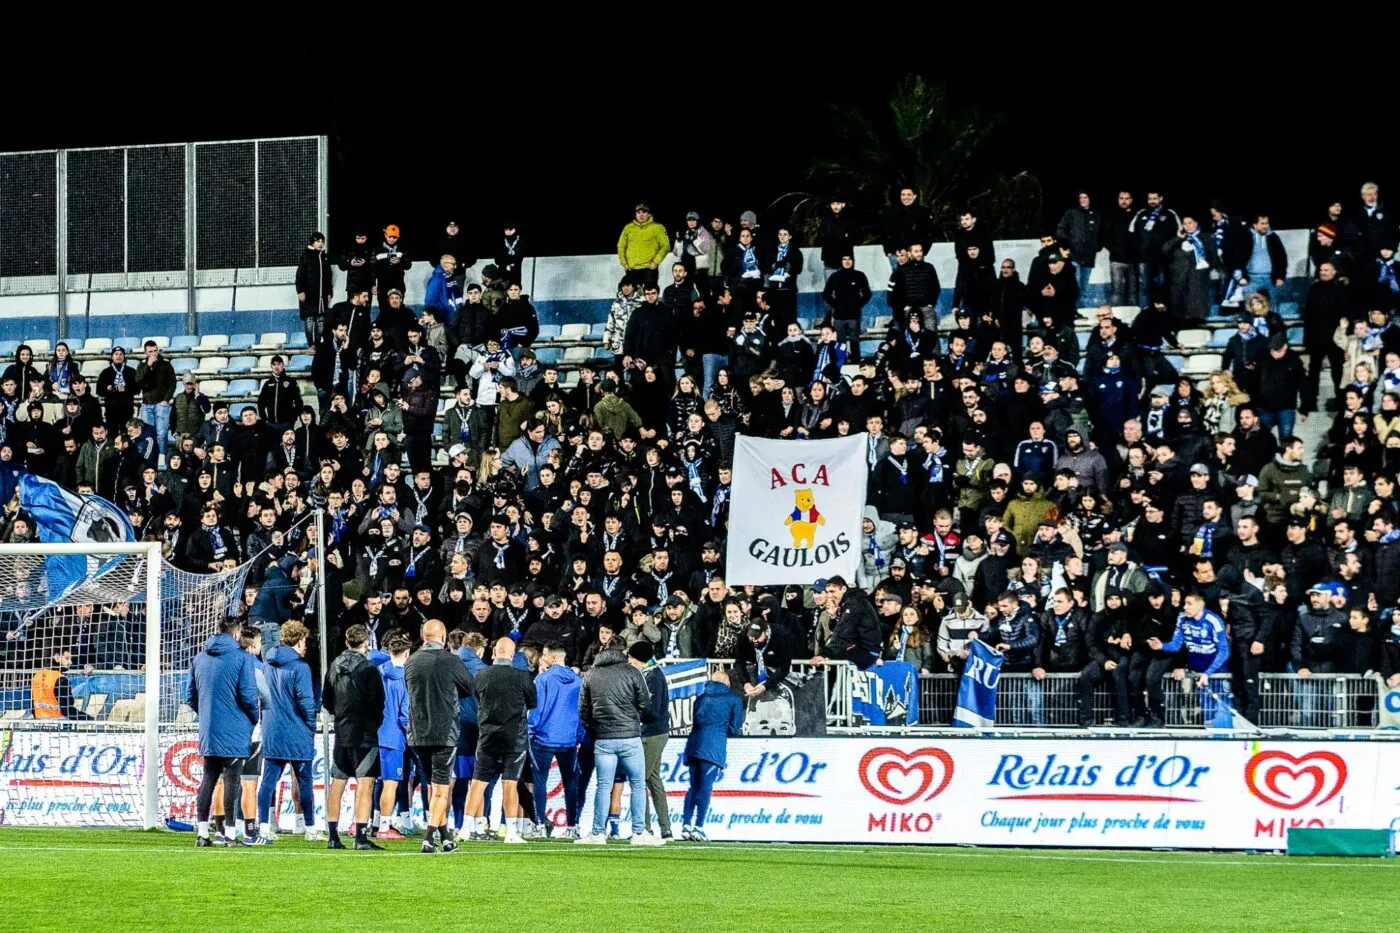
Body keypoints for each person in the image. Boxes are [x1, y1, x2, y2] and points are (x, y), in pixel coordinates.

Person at [575, 641, 663, 845]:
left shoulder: (591, 674)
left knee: (603, 786)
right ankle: (639, 833)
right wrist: (633, 719)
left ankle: (598, 833)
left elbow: (583, 711)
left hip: (604, 739)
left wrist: (595, 729)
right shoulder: (632, 672)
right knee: (638, 784)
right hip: (630, 737)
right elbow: (646, 704)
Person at [404, 619, 477, 853]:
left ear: (423, 636)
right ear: (444, 637)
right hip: (444, 731)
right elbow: (470, 687)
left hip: (418, 731)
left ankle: (445, 837)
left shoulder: (411, 661)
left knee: (432, 786)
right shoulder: (450, 660)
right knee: (441, 788)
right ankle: (429, 838)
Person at [188, 616, 259, 847]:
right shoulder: (242, 658)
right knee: (232, 781)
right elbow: (248, 695)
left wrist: (207, 714)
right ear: (236, 633)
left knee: (208, 778)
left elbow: (190, 696)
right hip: (235, 729)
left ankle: (202, 834)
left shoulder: (199, 657)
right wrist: (253, 718)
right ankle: (229, 834)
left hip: (209, 729)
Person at [461, 635, 537, 845]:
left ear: (494, 653)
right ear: (512, 655)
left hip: (487, 736)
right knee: (509, 784)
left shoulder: (482, 675)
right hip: (514, 738)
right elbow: (532, 703)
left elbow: (476, 697)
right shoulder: (523, 677)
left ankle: (465, 829)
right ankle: (511, 832)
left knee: (477, 783)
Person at [255, 621, 320, 845]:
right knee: (304, 781)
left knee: (268, 781)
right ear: (299, 640)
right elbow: (305, 701)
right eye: (305, 641)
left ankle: (264, 827)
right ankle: (310, 828)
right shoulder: (300, 667)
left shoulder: (267, 664)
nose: (306, 646)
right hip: (297, 731)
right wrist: (310, 725)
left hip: (272, 729)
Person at [322, 623, 385, 850]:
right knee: (365, 783)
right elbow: (377, 703)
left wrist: (341, 715)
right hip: (364, 733)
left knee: (337, 782)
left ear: (347, 642)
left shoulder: (334, 666)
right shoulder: (369, 669)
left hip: (342, 731)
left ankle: (332, 836)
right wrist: (373, 721)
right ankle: (360, 837)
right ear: (366, 643)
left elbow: (326, 699)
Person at [681, 668, 743, 843]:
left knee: (693, 787)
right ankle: (699, 827)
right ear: (727, 682)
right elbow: (734, 729)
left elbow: (695, 720)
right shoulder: (733, 699)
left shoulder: (700, 698)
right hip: (713, 747)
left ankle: (686, 825)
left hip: (693, 745)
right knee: (705, 787)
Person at [528, 642, 583, 838]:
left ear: (553, 657)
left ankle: (540, 826)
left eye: (544, 655)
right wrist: (578, 735)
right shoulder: (578, 681)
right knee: (571, 784)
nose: (543, 659)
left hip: (543, 739)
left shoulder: (543, 679)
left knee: (539, 783)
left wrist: (530, 733)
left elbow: (536, 711)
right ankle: (573, 827)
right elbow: (582, 711)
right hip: (569, 740)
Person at [631, 641, 673, 840]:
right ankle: (665, 829)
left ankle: (644, 828)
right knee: (653, 778)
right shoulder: (651, 675)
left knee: (639, 779)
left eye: (631, 658)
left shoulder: (653, 677)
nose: (630, 661)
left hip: (652, 733)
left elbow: (652, 710)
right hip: (656, 731)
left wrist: (634, 713)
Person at [373, 631, 411, 841]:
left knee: (370, 782)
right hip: (393, 737)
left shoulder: (377, 673)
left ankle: (367, 823)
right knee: (391, 783)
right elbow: (404, 714)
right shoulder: (405, 678)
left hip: (374, 735)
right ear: (406, 653)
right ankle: (384, 827)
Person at [30, 646, 91, 720]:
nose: (70, 662)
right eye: (67, 658)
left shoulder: (37, 675)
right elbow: (67, 710)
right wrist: (88, 718)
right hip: (58, 721)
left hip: (39, 721)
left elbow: (32, 704)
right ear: (57, 658)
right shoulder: (61, 679)